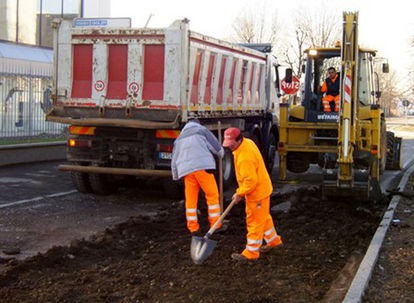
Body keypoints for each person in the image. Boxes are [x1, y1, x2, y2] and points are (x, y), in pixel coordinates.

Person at [222, 127, 282, 262]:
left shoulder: (244, 157)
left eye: (231, 144)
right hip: (263, 189)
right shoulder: (247, 143)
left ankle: (251, 253)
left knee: (254, 221)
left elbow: (250, 182)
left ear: (239, 140)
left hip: (257, 194)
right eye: (227, 143)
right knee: (264, 218)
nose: (229, 147)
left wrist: (239, 193)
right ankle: (274, 241)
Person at [171, 119, 225, 236]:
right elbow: (216, 147)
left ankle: (193, 228)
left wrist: (176, 176)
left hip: (187, 171)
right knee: (212, 195)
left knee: (191, 199)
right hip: (203, 167)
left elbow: (174, 159)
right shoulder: (202, 130)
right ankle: (215, 225)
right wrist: (221, 153)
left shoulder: (179, 138)